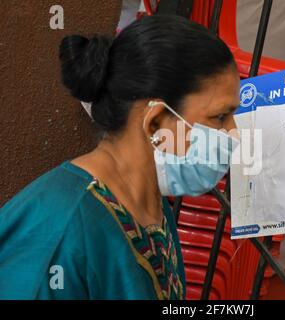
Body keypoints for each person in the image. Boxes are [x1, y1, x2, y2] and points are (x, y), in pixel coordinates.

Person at [0, 14, 240, 299]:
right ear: (156, 122)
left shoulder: (151, 208)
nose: (233, 134)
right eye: (220, 117)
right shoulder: (61, 229)